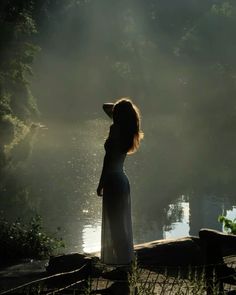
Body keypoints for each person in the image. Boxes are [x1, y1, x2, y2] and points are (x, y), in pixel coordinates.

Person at [97, 98, 143, 265]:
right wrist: (125, 107)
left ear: (119, 115)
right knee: (120, 224)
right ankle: (125, 264)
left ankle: (123, 267)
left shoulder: (116, 129)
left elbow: (108, 159)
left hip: (113, 181)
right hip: (122, 180)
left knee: (116, 226)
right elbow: (107, 107)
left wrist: (100, 183)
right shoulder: (128, 129)